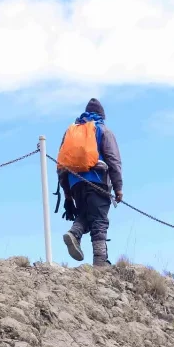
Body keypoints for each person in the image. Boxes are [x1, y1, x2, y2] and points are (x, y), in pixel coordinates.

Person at [58, 98, 123, 267]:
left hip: (75, 183)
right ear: (101, 115)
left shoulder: (71, 132)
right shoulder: (102, 130)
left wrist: (67, 195)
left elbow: (61, 165)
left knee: (86, 214)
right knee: (99, 220)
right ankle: (100, 261)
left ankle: (74, 233)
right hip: (97, 181)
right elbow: (113, 160)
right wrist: (119, 188)